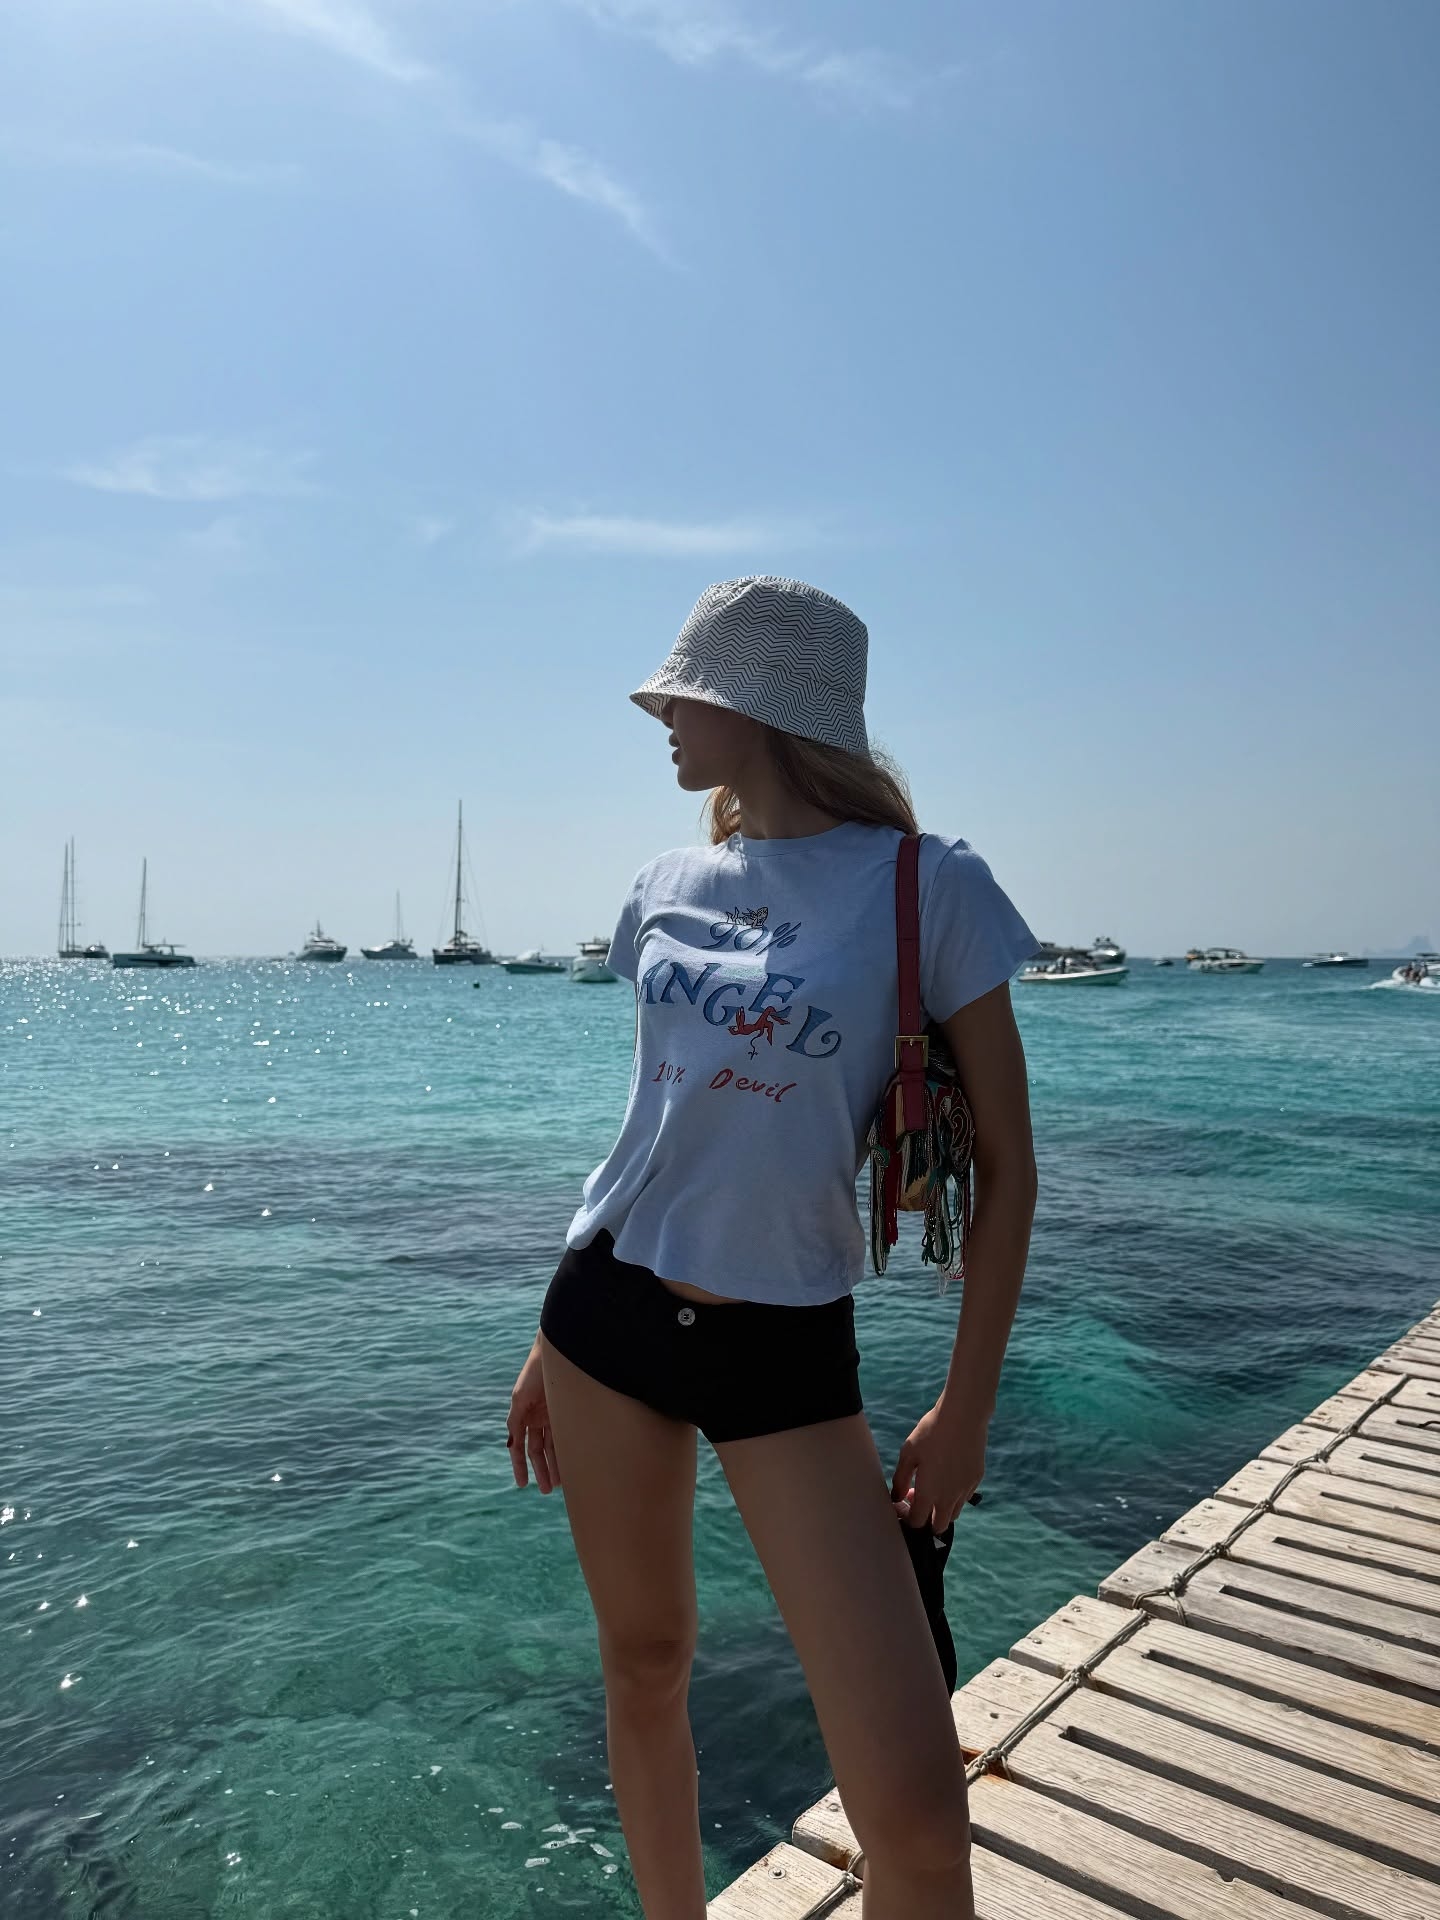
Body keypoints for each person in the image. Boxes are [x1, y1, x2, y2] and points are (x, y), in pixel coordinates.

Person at [507, 577, 1038, 1920]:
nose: (662, 718)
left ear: (761, 708)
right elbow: (654, 1128)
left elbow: (1011, 1168)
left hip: (784, 1346)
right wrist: (546, 1346)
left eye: (685, 694)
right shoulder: (663, 886)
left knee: (917, 1816)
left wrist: (966, 1407)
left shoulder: (929, 886)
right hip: (606, 1317)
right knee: (645, 1663)